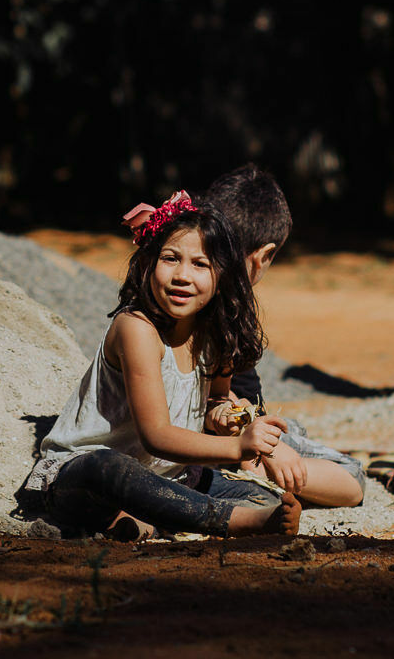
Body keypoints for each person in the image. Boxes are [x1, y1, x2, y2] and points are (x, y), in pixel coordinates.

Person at [19, 191, 302, 539]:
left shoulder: (215, 334)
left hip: (169, 478)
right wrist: (237, 447)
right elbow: (155, 436)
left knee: (260, 494)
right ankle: (234, 523)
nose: (183, 275)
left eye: (200, 264)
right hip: (84, 479)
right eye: (170, 259)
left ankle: (143, 520)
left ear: (222, 278)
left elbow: (217, 399)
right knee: (111, 468)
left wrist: (223, 415)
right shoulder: (136, 329)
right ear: (147, 264)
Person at [199, 164, 365, 508]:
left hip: (239, 426)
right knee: (352, 475)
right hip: (229, 434)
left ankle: (263, 469)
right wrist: (262, 446)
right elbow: (213, 394)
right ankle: (259, 474)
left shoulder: (215, 299)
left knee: (294, 431)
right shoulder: (216, 305)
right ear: (262, 256)